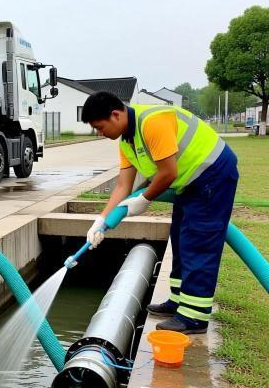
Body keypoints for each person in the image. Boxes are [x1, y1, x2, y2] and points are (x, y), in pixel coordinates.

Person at [81, 92, 238, 334]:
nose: (99, 133)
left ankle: (194, 316)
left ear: (116, 115)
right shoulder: (126, 141)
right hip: (190, 182)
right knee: (180, 239)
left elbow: (168, 173)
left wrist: (144, 199)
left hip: (212, 174)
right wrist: (101, 220)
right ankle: (178, 300)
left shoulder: (152, 122)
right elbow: (123, 186)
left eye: (100, 127)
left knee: (198, 241)